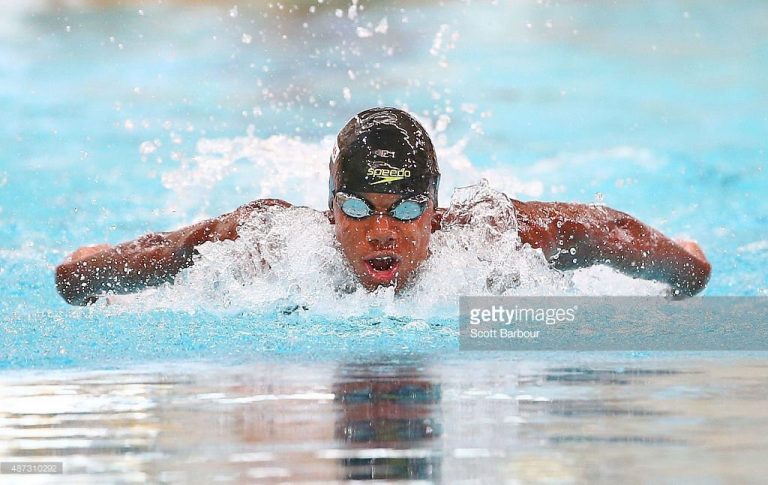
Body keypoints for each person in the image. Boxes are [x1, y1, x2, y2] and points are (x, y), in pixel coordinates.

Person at [55, 107, 711, 305]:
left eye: (403, 210)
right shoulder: (277, 241)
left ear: (434, 207)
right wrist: (87, 270)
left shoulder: (486, 238)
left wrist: (683, 265)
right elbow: (172, 251)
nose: (380, 232)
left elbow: (600, 229)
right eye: (358, 209)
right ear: (329, 207)